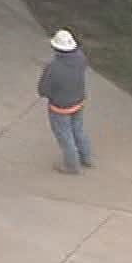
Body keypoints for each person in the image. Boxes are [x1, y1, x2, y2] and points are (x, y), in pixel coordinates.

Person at [37, 29, 94, 174]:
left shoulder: (54, 68)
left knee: (65, 136)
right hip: (78, 101)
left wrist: (48, 93)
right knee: (78, 130)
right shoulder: (81, 58)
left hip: (60, 107)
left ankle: (72, 165)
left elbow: (43, 89)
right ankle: (87, 157)